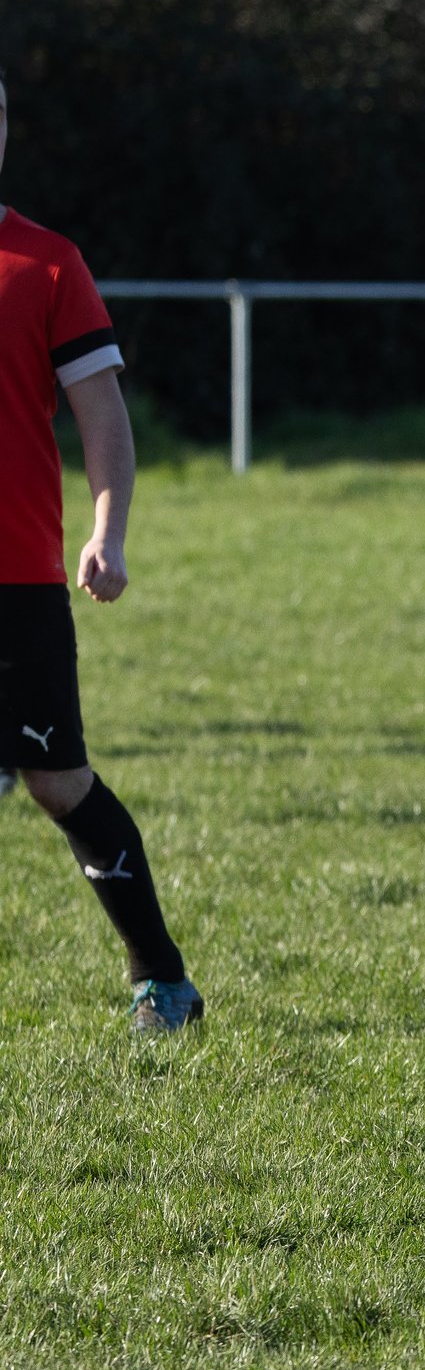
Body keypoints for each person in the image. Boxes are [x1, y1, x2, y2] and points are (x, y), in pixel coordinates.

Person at [0, 75, 201, 1033]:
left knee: (57, 781)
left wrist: (107, 531)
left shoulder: (45, 264)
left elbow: (101, 413)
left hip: (15, 575)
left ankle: (162, 979)